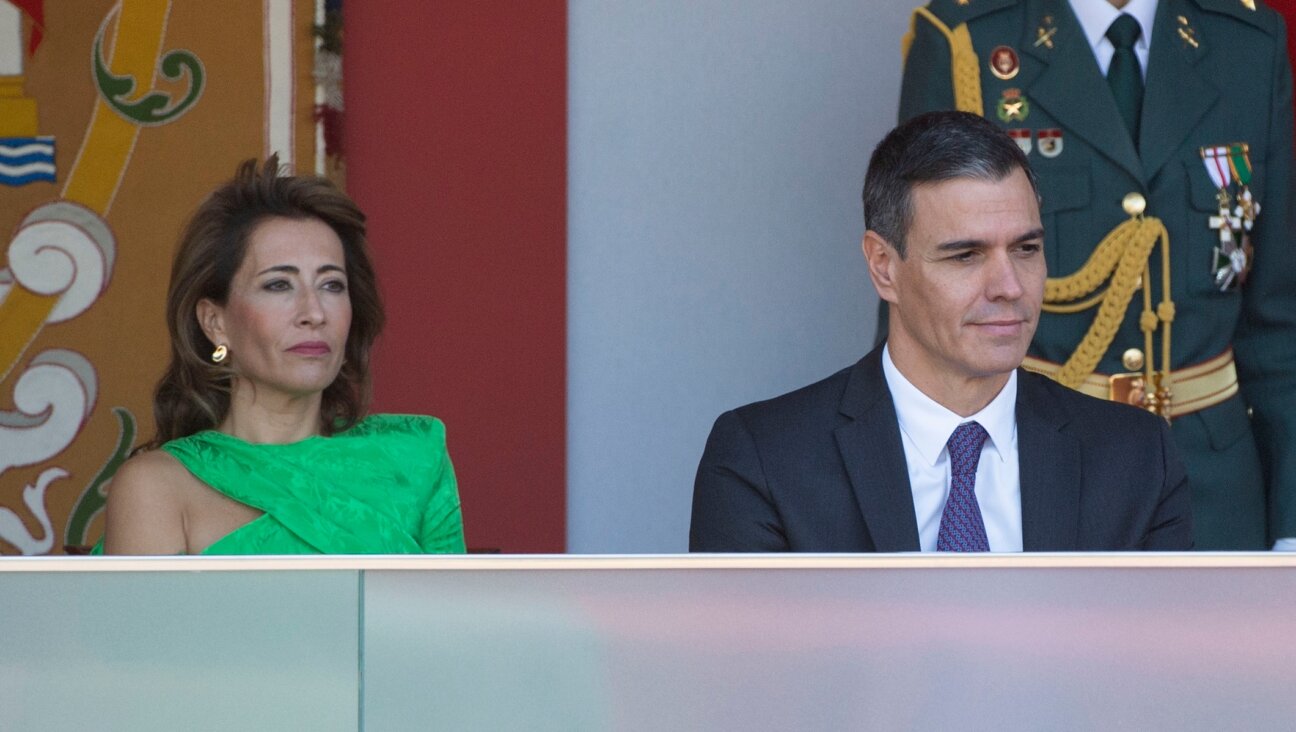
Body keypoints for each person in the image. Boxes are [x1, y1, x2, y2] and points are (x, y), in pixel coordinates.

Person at [690, 111, 1192, 552]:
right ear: (884, 266)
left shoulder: (1136, 457)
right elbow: (744, 661)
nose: (1010, 287)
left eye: (1026, 249)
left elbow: (1162, 657)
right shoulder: (764, 461)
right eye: (965, 256)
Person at [896, 0, 1295, 550]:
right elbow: (919, 298)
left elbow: (1279, 325)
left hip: (1216, 489)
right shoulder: (967, 38)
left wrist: (1292, 523)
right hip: (1036, 471)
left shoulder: (1247, 39)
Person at [99, 156, 465, 555]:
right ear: (214, 322)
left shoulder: (412, 461)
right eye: (278, 285)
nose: (314, 313)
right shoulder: (157, 486)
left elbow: (450, 616)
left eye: (331, 285)